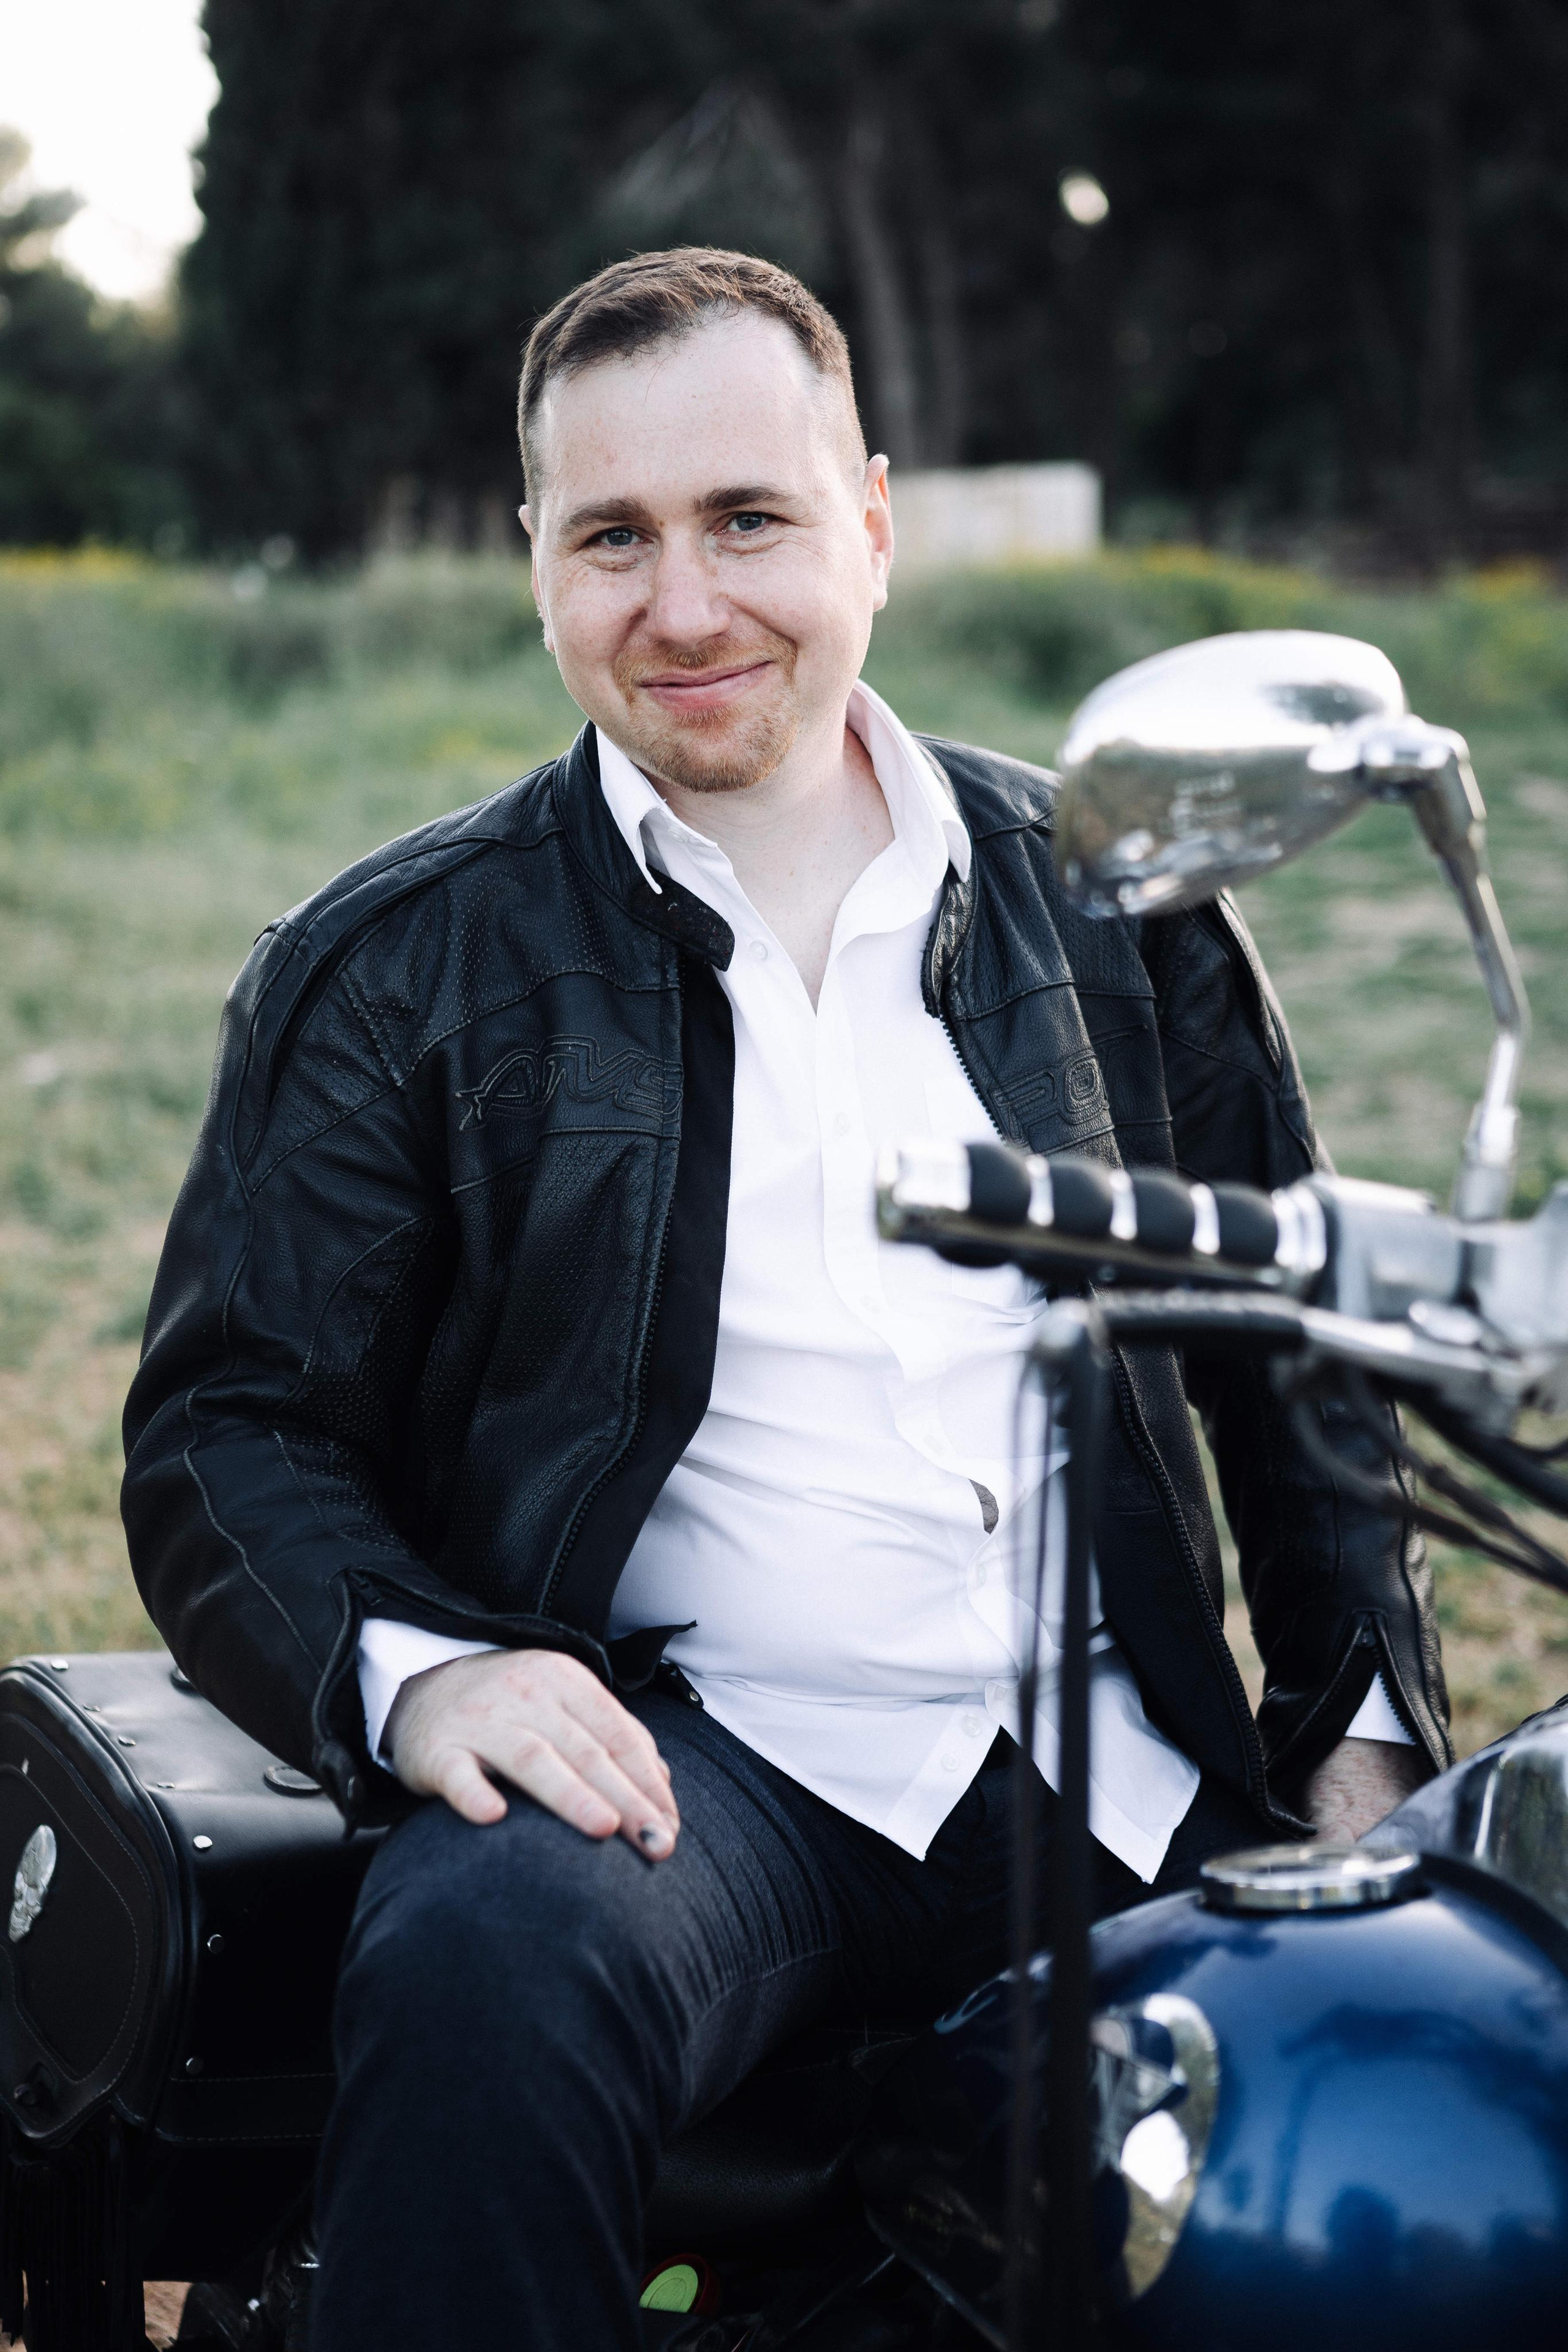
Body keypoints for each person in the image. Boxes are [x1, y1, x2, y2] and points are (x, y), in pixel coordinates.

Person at [122, 247, 1445, 2349]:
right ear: (537, 564)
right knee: (481, 1959)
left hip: (1122, 1760)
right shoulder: (387, 968)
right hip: (699, 1767)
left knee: (1421, 2124)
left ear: (878, 529)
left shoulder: (1126, 903)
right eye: (612, 538)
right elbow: (226, 1433)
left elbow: (1307, 1364)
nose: (686, 605)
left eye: (750, 519)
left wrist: (1364, 1754)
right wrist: (426, 1675)